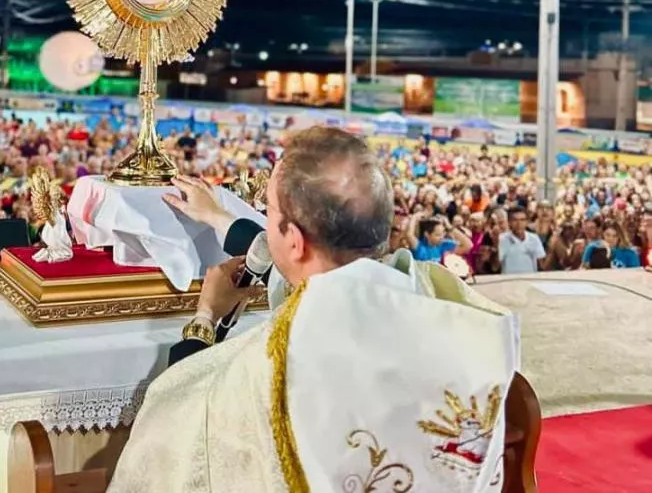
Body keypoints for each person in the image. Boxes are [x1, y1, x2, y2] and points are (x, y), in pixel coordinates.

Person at [109, 128, 518, 493]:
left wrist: (204, 321)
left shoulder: (269, 368)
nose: (266, 223)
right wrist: (219, 218)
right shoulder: (448, 306)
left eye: (268, 211)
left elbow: (177, 418)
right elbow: (311, 271)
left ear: (295, 240)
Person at [497, 209, 545, 274]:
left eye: (522, 220)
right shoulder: (502, 238)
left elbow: (542, 264)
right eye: (515, 220)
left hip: (530, 280)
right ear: (509, 222)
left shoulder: (534, 238)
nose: (519, 224)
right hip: (508, 281)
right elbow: (496, 266)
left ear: (527, 222)